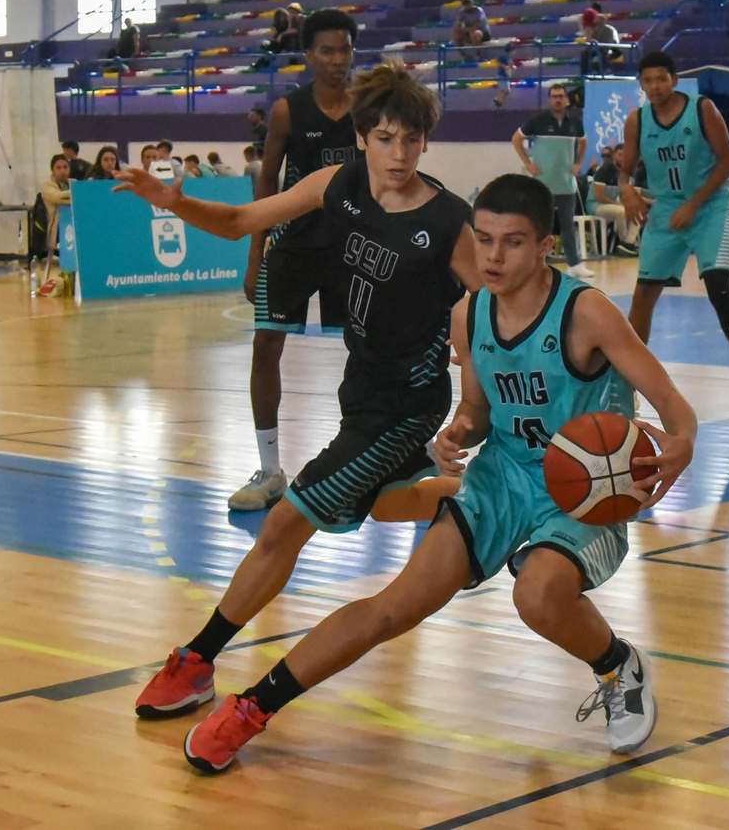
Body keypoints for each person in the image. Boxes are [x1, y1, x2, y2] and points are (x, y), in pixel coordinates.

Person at [173, 174, 697, 775]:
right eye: (484, 239)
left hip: (588, 491)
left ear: (546, 246)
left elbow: (672, 403)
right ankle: (251, 709)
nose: (493, 256)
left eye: (514, 242)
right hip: (503, 478)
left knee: (538, 593)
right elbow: (476, 409)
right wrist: (459, 432)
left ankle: (617, 667)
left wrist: (681, 443)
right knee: (393, 608)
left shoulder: (588, 313)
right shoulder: (469, 315)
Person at [116, 64, 479, 727]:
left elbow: (496, 303)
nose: (399, 155)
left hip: (406, 406)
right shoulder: (335, 186)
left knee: (285, 523)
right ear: (363, 138)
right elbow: (237, 220)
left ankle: (197, 661)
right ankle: (459, 494)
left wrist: (473, 406)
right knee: (393, 503)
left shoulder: (449, 221)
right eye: (386, 138)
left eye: (412, 141)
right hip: (360, 391)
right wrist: (171, 202)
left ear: (426, 143)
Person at [233, 9, 362, 512]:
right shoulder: (288, 112)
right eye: (327, 50)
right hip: (293, 244)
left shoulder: (367, 108)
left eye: (345, 49)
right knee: (266, 346)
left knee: (371, 351)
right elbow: (267, 182)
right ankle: (269, 470)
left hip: (352, 248)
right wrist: (254, 255)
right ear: (308, 55)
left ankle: (372, 458)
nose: (337, 59)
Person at [619, 52, 729, 418]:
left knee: (718, 287)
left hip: (711, 205)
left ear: (674, 79)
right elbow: (626, 170)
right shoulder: (637, 120)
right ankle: (630, 383)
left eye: (661, 79)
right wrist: (627, 189)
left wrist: (695, 204)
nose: (655, 86)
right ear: (641, 84)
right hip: (667, 207)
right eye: (648, 80)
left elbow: (727, 161)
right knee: (642, 295)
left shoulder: (702, 109)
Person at [512, 84, 591, 279]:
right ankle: (535, 264)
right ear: (549, 100)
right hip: (542, 184)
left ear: (566, 100)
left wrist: (578, 162)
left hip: (566, 184)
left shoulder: (575, 121)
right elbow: (516, 139)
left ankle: (574, 264)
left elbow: (583, 141)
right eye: (554, 96)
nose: (557, 99)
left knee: (567, 225)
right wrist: (528, 163)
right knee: (538, 226)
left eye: (561, 96)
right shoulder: (538, 120)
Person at [587, 146, 637, 254]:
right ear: (614, 155)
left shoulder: (625, 174)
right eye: (620, 155)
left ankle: (629, 242)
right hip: (596, 205)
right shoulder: (606, 168)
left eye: (625, 156)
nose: (622, 158)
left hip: (612, 206)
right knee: (621, 211)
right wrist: (619, 204)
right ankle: (624, 242)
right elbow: (599, 195)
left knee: (637, 212)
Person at [37, 154, 73, 298]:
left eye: (65, 167)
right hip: (56, 228)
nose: (62, 171)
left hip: (74, 225)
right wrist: (77, 193)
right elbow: (58, 197)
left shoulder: (73, 182)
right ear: (53, 170)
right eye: (58, 168)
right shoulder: (47, 185)